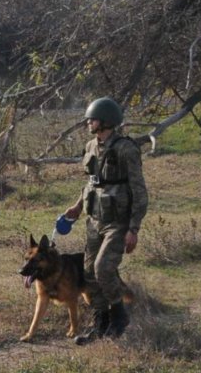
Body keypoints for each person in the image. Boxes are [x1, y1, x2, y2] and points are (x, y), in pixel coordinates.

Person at [63, 97, 148, 344]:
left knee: (103, 269)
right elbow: (92, 182)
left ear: (106, 122)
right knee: (89, 272)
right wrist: (78, 206)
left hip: (118, 222)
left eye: (93, 118)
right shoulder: (91, 146)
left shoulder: (125, 149)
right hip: (94, 218)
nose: (89, 122)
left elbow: (139, 190)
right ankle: (100, 324)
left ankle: (118, 317)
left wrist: (134, 228)